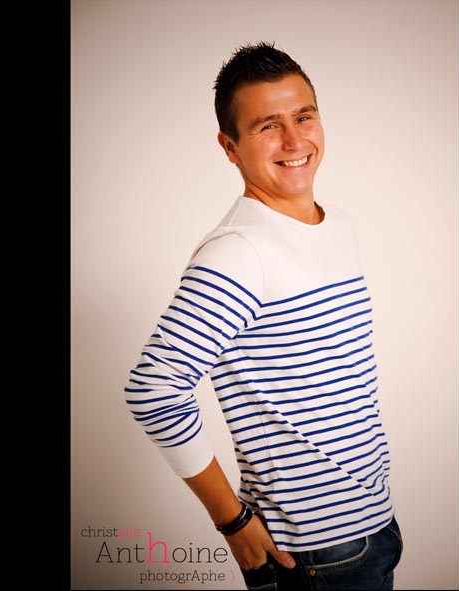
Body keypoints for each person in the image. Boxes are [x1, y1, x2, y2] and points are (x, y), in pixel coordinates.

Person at [124, 42, 402, 590]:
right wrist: (232, 521)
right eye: (268, 126)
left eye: (304, 116)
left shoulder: (336, 224)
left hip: (373, 524)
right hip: (315, 553)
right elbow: (154, 390)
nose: (295, 141)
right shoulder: (239, 252)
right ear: (230, 147)